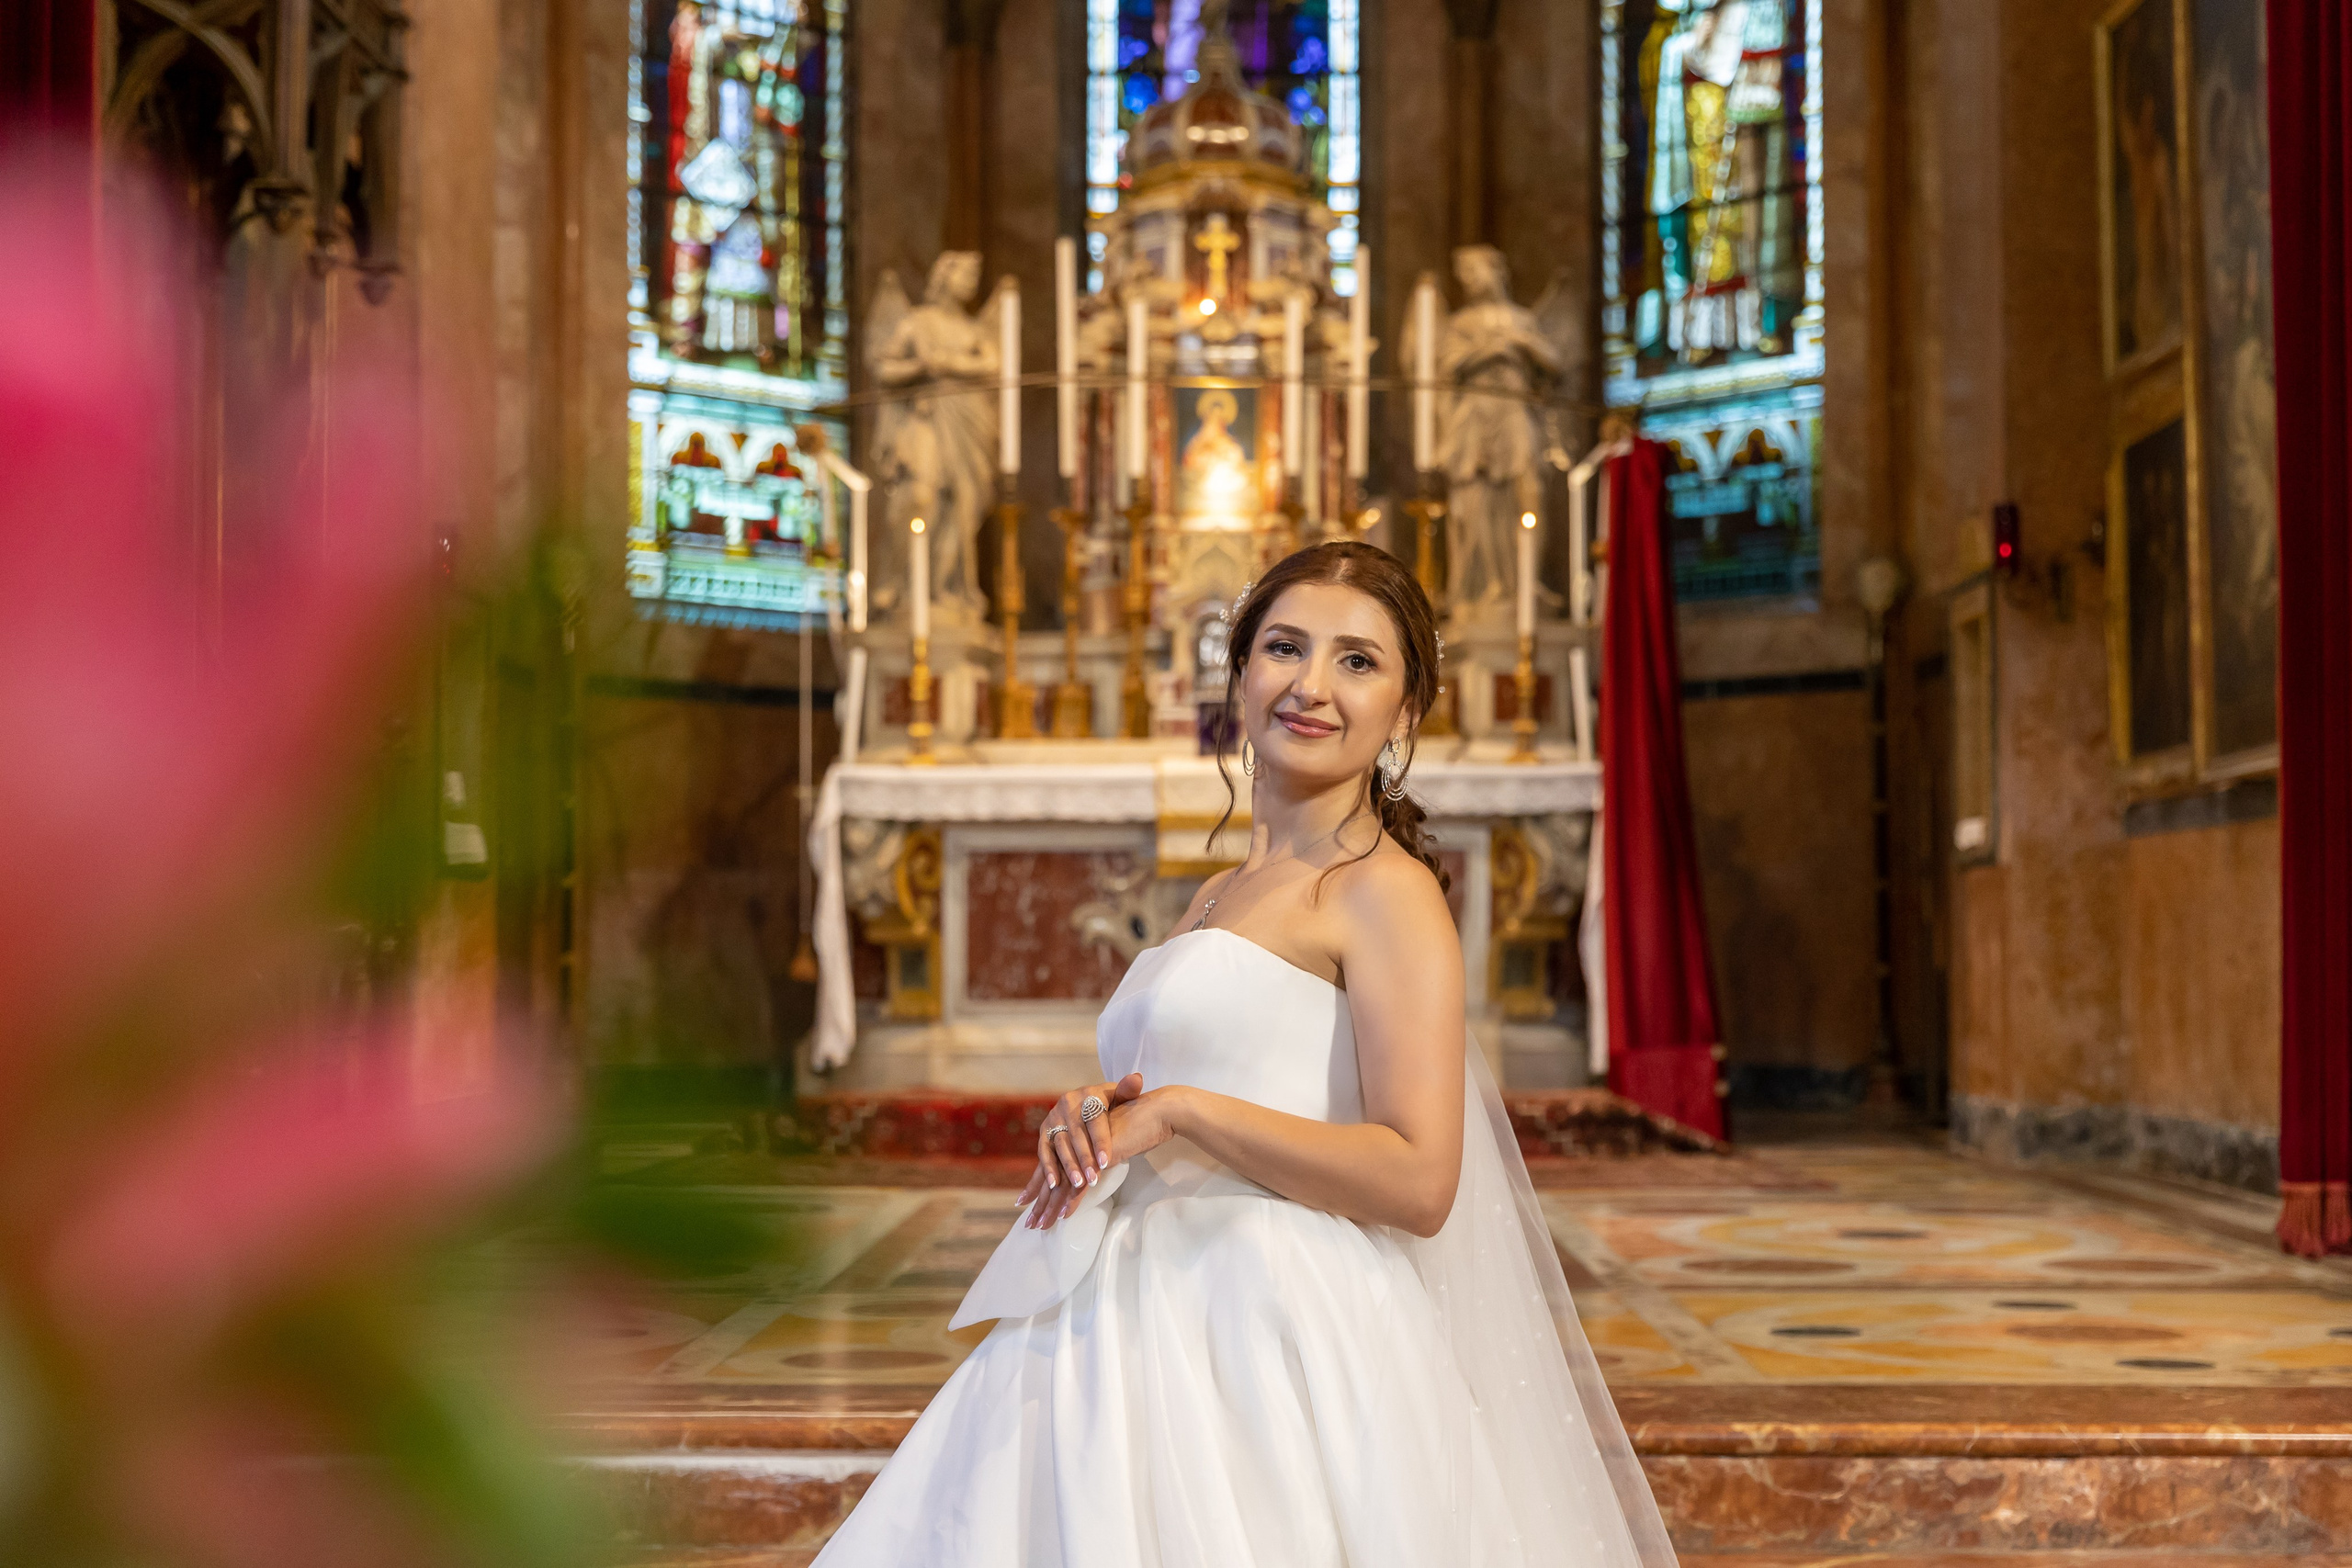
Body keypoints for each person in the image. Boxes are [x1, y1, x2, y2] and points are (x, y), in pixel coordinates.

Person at [813, 542, 1678, 1567]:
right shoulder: (1220, 893)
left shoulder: (1382, 889)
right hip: (1121, 1301)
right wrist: (1099, 1111)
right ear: (1238, 674)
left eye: (1357, 662)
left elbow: (1418, 1177)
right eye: (1284, 648)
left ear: (1405, 714)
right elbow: (1210, 1068)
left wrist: (1182, 1114)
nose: (1311, 685)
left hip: (1266, 1323)